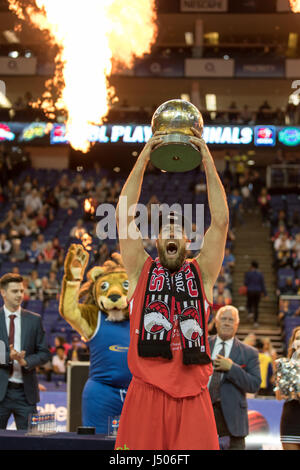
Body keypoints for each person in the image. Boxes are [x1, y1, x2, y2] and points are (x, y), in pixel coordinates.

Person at [115, 127, 229, 450]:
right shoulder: (141, 270)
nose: (171, 236)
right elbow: (123, 216)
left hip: (193, 396)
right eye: (165, 231)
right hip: (146, 393)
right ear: (156, 241)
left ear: (186, 242)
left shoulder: (202, 273)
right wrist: (144, 157)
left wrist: (206, 157)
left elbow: (220, 222)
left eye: (177, 232)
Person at [0, 273, 51, 429]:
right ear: (3, 292)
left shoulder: (34, 320)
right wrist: (9, 357)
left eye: (21, 291)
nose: (20, 295)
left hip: (26, 394)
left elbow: (44, 353)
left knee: (30, 441)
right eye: (15, 291)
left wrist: (26, 361)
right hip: (1, 392)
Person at [208, 305, 261, 450]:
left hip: (233, 424)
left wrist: (232, 368)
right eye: (223, 319)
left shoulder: (249, 353)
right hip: (202, 415)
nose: (226, 322)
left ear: (237, 325)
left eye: (231, 320)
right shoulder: (203, 345)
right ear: (216, 322)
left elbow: (254, 384)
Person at [275, 326, 300, 450]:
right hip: (290, 419)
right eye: (298, 338)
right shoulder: (285, 365)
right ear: (293, 343)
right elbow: (279, 396)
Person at [244, 261, 267, 328]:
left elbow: (245, 283)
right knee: (256, 307)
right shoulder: (260, 274)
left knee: (249, 304)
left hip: (250, 291)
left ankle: (250, 312)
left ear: (252, 266)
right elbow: (263, 284)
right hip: (258, 292)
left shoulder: (248, 273)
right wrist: (265, 293)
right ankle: (255, 322)